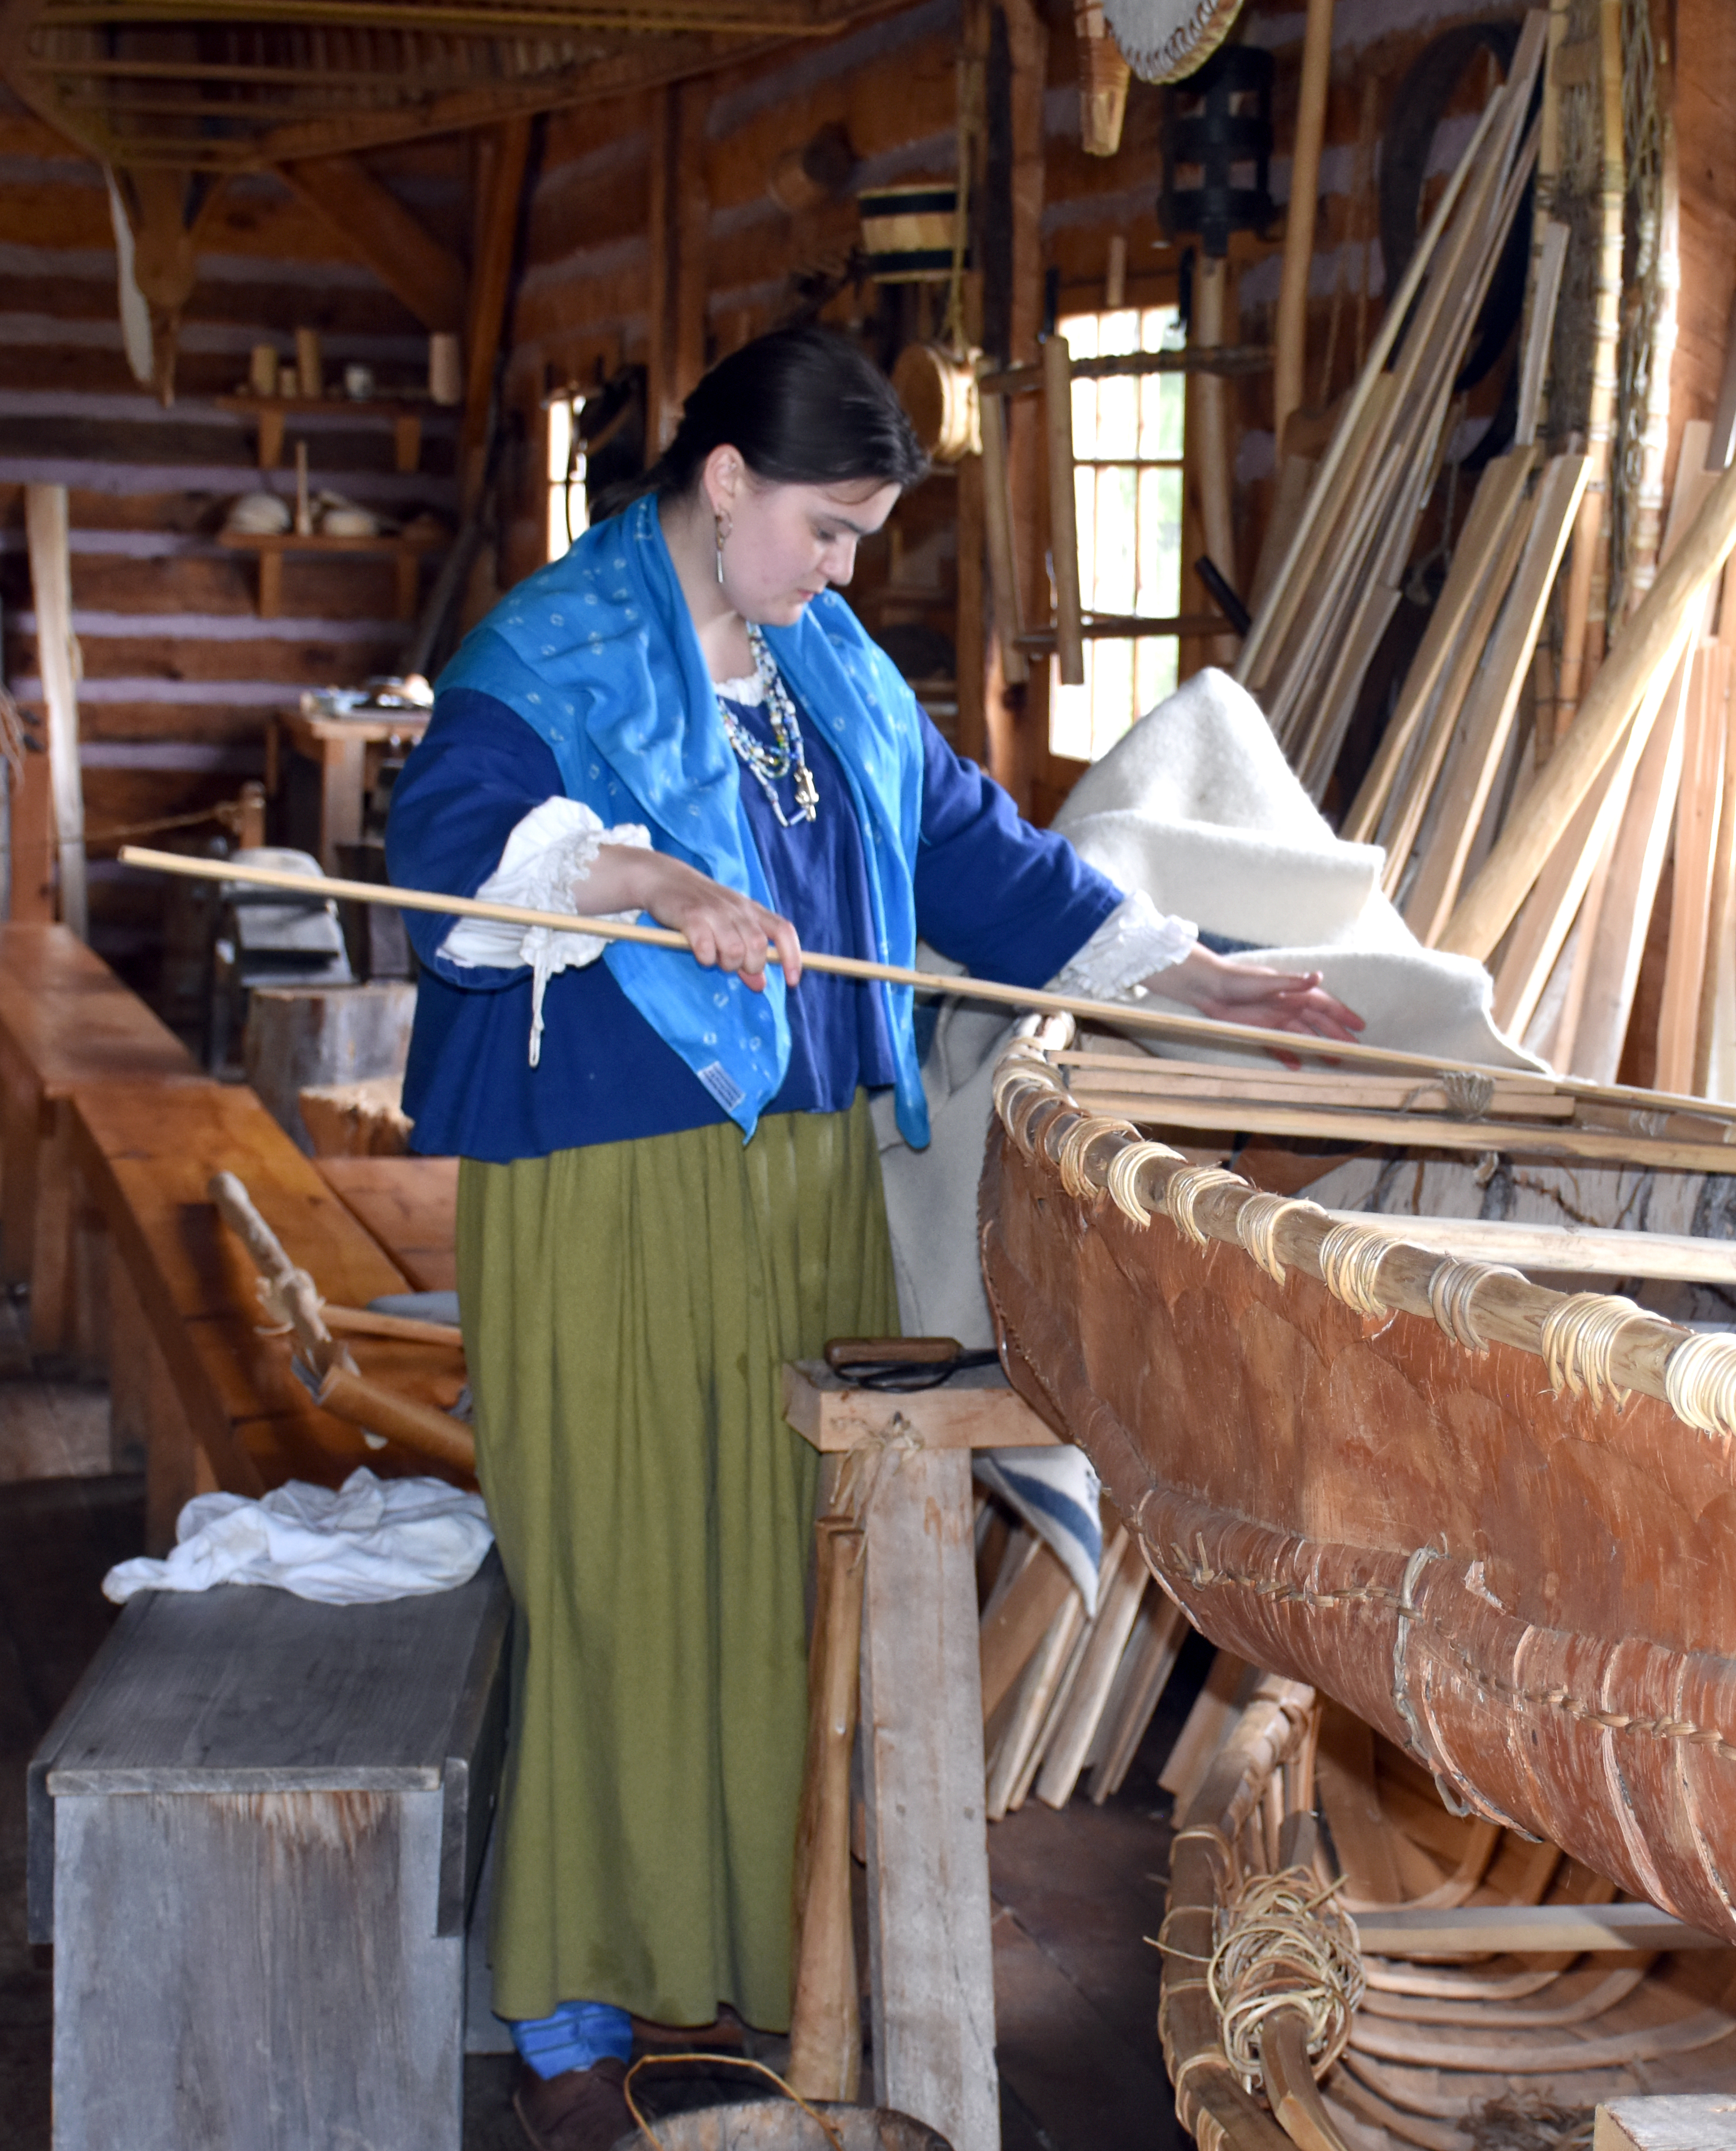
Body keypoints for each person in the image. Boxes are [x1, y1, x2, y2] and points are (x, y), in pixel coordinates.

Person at [387, 325, 1362, 2151]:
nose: (842, 571)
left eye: (859, 538)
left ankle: (760, 1962)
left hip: (806, 1178)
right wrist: (651, 878)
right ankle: (572, 2011)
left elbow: (976, 852)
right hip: (609, 1185)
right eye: (825, 529)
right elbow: (450, 867)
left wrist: (1192, 972)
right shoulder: (548, 651)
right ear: (725, 480)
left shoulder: (822, 663)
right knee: (614, 1567)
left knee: (784, 1576)